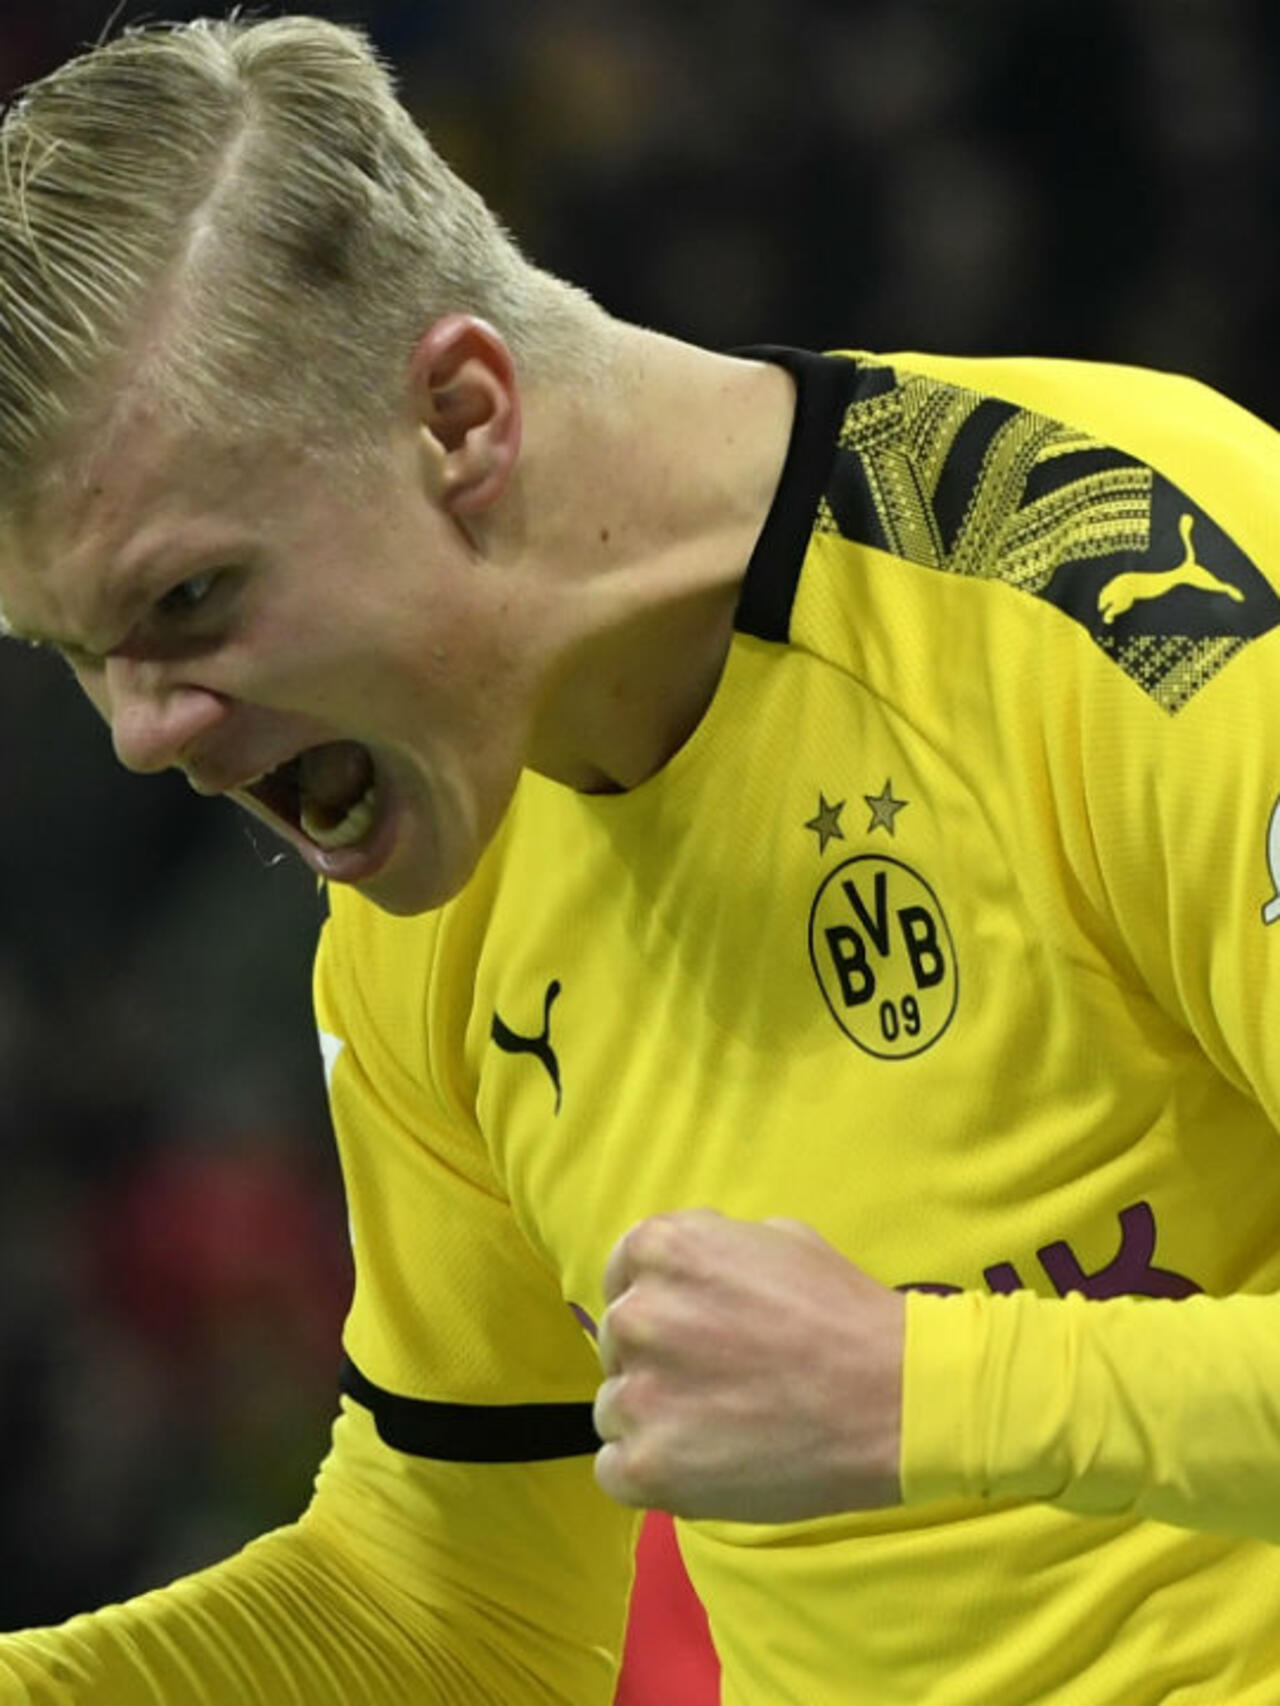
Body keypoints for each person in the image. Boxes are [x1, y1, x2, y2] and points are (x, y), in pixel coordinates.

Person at [1, 14, 1279, 1704]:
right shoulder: (429, 869)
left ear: (461, 415)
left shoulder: (1133, 588)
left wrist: (928, 1389)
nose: (140, 733)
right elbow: (457, 1605)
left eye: (188, 600)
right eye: (79, 652)